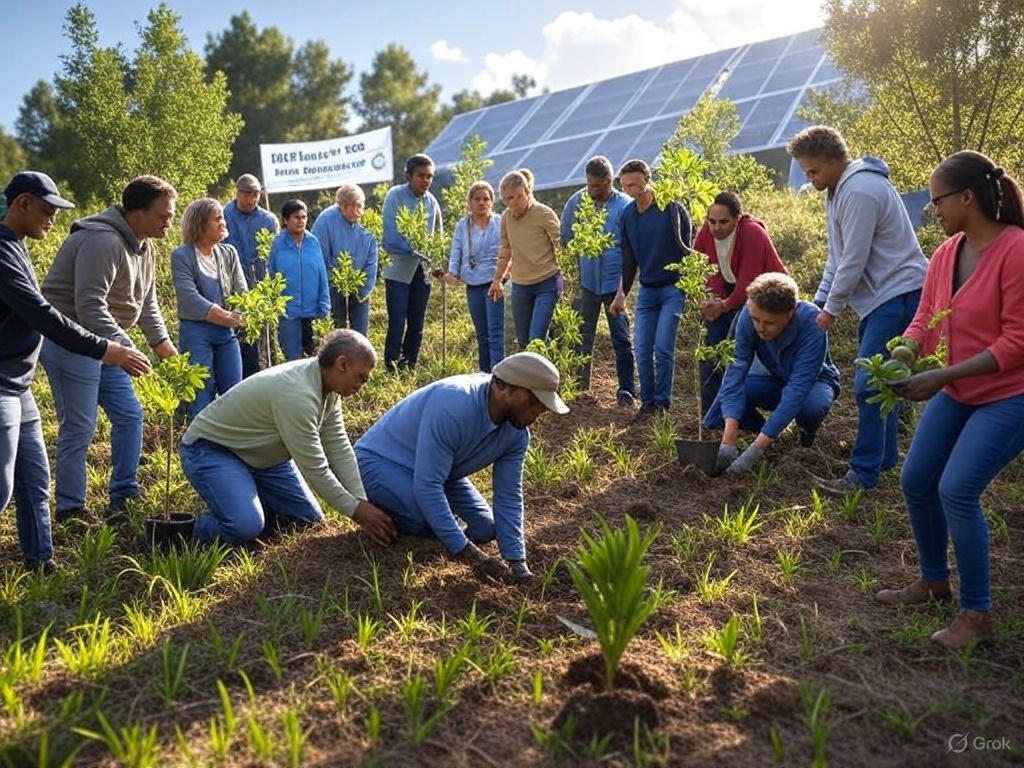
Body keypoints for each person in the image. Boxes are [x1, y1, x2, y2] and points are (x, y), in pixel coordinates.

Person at [874, 151, 1024, 650]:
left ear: (967, 197)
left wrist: (942, 376)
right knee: (917, 479)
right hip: (957, 389)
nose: (931, 209)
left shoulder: (1016, 250)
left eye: (937, 199)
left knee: (957, 489)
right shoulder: (945, 254)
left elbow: (1017, 341)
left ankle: (977, 615)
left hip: (1008, 395)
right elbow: (924, 318)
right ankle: (935, 580)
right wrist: (903, 350)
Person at [0, 172, 150, 571]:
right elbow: (43, 314)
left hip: (20, 384)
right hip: (2, 385)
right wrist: (107, 349)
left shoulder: (17, 246)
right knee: (3, 487)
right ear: (23, 204)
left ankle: (41, 563)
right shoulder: (1, 251)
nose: (53, 219)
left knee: (33, 482)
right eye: (47, 210)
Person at [787, 126, 927, 495]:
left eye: (813, 170)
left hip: (898, 294)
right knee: (879, 382)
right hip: (881, 300)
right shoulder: (838, 190)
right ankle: (884, 462)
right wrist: (818, 301)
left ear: (835, 161)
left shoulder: (861, 190)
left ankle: (863, 474)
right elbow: (837, 255)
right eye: (805, 171)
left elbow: (854, 259)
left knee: (868, 384)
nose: (809, 177)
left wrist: (831, 311)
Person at [355, 351, 569, 583]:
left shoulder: (516, 435)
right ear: (502, 387)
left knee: (485, 528)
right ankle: (394, 515)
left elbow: (508, 496)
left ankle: (432, 520)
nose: (540, 410)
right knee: (422, 516)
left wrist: (518, 565)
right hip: (378, 462)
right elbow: (428, 485)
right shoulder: (454, 405)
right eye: (533, 401)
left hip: (440, 472)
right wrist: (471, 555)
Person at [40, 175, 178, 521]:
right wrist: (127, 347)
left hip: (107, 346)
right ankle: (70, 507)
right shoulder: (102, 241)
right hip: (71, 341)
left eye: (171, 215)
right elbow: (89, 307)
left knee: (130, 416)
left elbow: (147, 306)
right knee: (81, 426)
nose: (169, 222)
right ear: (136, 213)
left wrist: (164, 346)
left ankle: (123, 494)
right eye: (163, 216)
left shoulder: (146, 247)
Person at [180, 329, 396, 546]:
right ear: (342, 364)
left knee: (307, 520)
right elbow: (316, 469)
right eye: (361, 378)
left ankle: (250, 505)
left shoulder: (328, 387)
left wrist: (361, 499)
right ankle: (180, 532)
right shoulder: (298, 395)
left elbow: (338, 446)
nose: (361, 386)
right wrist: (357, 511)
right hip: (213, 449)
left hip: (263, 457)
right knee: (244, 526)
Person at [705, 273, 840, 474]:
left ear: (789, 314)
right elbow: (735, 372)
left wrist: (755, 450)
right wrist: (729, 437)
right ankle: (763, 428)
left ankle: (804, 436)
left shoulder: (813, 323)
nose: (760, 328)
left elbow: (798, 388)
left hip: (814, 382)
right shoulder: (748, 316)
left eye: (769, 323)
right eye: (756, 320)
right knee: (717, 414)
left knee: (810, 408)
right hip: (774, 378)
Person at [610, 159, 691, 417]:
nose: (631, 190)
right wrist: (621, 292)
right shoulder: (628, 215)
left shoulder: (672, 208)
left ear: (647, 179)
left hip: (673, 287)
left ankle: (663, 404)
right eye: (626, 186)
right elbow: (629, 257)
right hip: (647, 290)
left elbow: (689, 248)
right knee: (642, 348)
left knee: (663, 348)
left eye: (635, 183)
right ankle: (648, 403)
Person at [693, 191, 787, 415]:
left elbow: (750, 280)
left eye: (724, 222)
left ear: (737, 219)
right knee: (711, 352)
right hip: (731, 297)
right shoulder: (708, 231)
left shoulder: (752, 233)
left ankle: (751, 410)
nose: (716, 227)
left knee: (745, 356)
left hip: (769, 298)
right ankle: (712, 415)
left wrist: (723, 305)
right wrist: (712, 299)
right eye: (712, 221)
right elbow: (702, 265)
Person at [560, 156, 635, 405]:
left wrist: (623, 288)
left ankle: (626, 390)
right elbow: (566, 237)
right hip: (587, 283)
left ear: (608, 181)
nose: (592, 190)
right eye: (589, 185)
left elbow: (630, 249)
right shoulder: (577, 202)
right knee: (583, 336)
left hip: (615, 285)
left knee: (621, 339)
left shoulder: (625, 206)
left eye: (597, 186)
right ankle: (582, 389)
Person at [171, 198, 247, 420]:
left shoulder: (228, 253)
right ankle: (200, 446)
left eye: (222, 217)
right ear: (201, 224)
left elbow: (242, 292)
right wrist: (226, 316)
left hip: (226, 332)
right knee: (200, 395)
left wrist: (238, 316)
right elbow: (190, 298)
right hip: (196, 332)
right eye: (218, 219)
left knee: (234, 392)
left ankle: (231, 445)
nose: (223, 223)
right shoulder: (181, 256)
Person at [381, 154, 442, 371]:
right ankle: (391, 365)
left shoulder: (431, 202)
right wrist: (415, 247)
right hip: (398, 270)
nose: (426, 180)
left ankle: (410, 363)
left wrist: (437, 262)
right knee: (397, 320)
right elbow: (389, 236)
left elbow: (437, 235)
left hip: (422, 270)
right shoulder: (395, 196)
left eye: (430, 176)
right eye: (421, 176)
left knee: (417, 322)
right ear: (409, 175)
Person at [488, 169, 562, 349]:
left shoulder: (544, 214)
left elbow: (561, 246)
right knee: (523, 342)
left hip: (547, 283)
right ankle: (528, 377)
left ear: (527, 192)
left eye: (517, 197)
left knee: (536, 340)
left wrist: (566, 277)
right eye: (507, 199)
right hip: (521, 286)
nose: (513, 203)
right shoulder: (506, 217)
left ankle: (545, 376)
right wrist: (497, 279)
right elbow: (505, 249)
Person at [222, 174, 279, 378]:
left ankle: (261, 376)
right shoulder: (223, 216)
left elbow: (273, 255)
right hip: (231, 289)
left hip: (260, 289)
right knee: (237, 337)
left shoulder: (268, 220)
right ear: (237, 193)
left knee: (262, 339)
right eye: (247, 195)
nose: (251, 200)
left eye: (255, 195)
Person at [446, 180, 504, 371]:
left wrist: (502, 276)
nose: (482, 203)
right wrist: (452, 273)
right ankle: (484, 373)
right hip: (473, 282)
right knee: (482, 334)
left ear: (492, 202)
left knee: (496, 332)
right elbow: (456, 250)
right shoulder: (462, 225)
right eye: (477, 199)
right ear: (470, 202)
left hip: (495, 282)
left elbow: (508, 250)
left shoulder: (500, 222)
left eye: (486, 199)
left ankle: (497, 372)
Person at [311, 183, 379, 337]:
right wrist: (331, 284)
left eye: (361, 206)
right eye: (354, 207)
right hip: (333, 286)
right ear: (341, 206)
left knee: (360, 333)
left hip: (359, 285)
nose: (359, 211)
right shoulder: (325, 220)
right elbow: (319, 256)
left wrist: (363, 289)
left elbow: (372, 259)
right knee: (337, 332)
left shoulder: (367, 221)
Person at [267, 199, 330, 361]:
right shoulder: (277, 244)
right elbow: (271, 275)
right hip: (288, 312)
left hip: (313, 310)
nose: (301, 221)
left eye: (304, 217)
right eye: (296, 217)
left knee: (313, 358)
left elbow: (321, 273)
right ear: (285, 220)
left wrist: (324, 303)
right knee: (293, 359)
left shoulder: (313, 242)